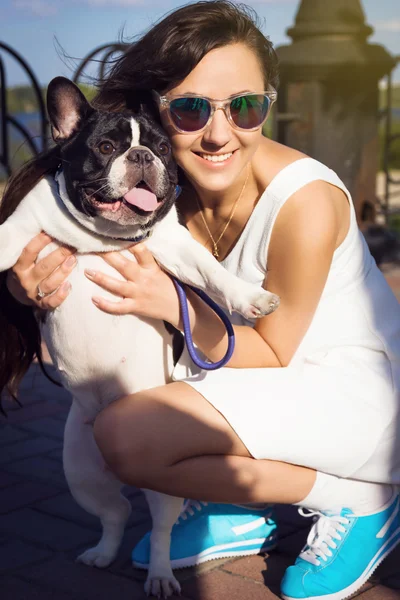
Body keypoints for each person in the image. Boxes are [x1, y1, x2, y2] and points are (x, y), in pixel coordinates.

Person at [5, 2, 400, 598]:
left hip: (344, 393)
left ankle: (360, 498)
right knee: (134, 429)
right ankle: (253, 500)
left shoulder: (305, 200)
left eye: (245, 106)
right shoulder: (153, 184)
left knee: (127, 438)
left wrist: (172, 304)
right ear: (156, 112)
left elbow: (273, 352)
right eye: (191, 109)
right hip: (250, 386)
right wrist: (22, 284)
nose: (220, 133)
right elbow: (39, 236)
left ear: (268, 102)